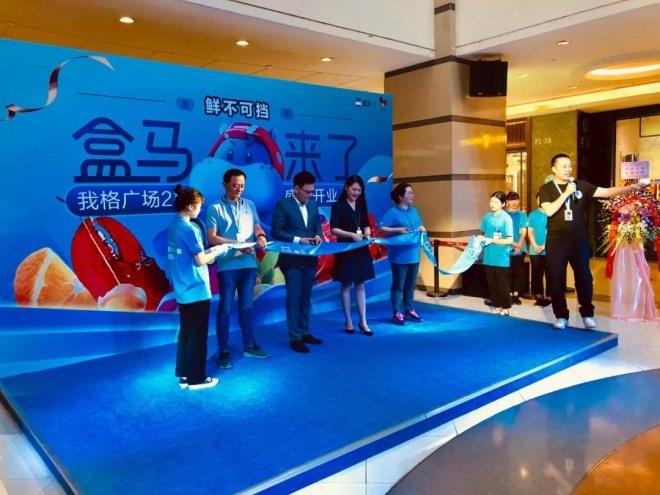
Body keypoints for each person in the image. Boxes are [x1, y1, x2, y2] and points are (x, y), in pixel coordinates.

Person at [538, 153, 646, 330]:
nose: (568, 169)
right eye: (564, 166)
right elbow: (549, 211)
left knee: (584, 278)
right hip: (556, 241)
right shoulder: (546, 189)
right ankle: (561, 316)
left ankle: (587, 314)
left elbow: (607, 192)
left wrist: (631, 187)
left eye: (570, 165)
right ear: (554, 169)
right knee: (555, 278)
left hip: (579, 239)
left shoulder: (581, 185)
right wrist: (566, 193)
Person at [206, 168, 270, 369]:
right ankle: (224, 352)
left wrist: (261, 236)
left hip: (249, 264)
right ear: (224, 184)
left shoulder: (250, 205)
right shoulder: (214, 208)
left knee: (247, 307)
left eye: (242, 186)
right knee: (225, 309)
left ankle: (249, 346)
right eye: (235, 185)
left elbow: (257, 226)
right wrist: (235, 244)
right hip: (227, 265)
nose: (239, 189)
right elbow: (212, 237)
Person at [167, 185, 227, 391]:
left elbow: (193, 255)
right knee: (198, 336)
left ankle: (185, 375)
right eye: (199, 206)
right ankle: (197, 378)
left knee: (186, 333)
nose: (200, 210)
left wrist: (214, 249)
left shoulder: (174, 226)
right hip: (196, 289)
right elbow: (201, 260)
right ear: (191, 206)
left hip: (183, 289)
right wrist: (220, 251)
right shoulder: (189, 229)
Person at [271, 171, 323, 353]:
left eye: (312, 191)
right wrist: (299, 240)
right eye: (307, 192)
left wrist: (318, 235)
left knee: (306, 297)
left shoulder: (313, 205)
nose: (310, 195)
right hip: (292, 260)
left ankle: (305, 331)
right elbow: (276, 232)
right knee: (294, 298)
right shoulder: (283, 205)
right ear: (296, 188)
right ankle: (295, 338)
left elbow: (317, 226)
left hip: (310, 258)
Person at [330, 175, 375, 336]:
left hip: (361, 249)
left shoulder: (361, 204)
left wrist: (367, 235)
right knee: (346, 285)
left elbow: (366, 225)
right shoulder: (338, 206)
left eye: (359, 190)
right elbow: (334, 229)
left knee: (361, 284)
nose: (356, 193)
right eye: (354, 189)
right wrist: (351, 235)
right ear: (346, 187)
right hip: (346, 249)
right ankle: (348, 320)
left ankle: (363, 321)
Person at [379, 183, 426, 325]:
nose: (412, 195)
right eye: (409, 193)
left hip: (414, 254)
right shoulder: (392, 212)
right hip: (399, 256)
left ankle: (409, 310)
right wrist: (397, 229)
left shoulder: (414, 211)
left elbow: (419, 226)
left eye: (412, 192)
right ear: (400, 196)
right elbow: (381, 227)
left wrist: (421, 228)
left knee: (410, 285)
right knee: (398, 285)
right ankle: (397, 312)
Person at [479, 191, 514, 316]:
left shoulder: (506, 218)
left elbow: (509, 240)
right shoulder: (486, 217)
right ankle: (497, 305)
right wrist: (481, 239)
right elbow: (483, 233)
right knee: (492, 283)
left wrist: (492, 240)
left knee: (502, 283)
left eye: (496, 202)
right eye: (491, 201)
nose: (492, 204)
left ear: (503, 204)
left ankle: (505, 307)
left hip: (501, 257)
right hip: (488, 255)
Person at [526, 193, 551, 307]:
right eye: (539, 199)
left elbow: (552, 232)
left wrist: (544, 246)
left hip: (550, 249)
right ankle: (538, 296)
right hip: (534, 250)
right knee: (536, 274)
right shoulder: (533, 214)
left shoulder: (552, 214)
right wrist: (535, 245)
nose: (541, 201)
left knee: (551, 274)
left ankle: (550, 296)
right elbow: (530, 232)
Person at [505, 191, 528, 305]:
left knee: (518, 272)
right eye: (511, 200)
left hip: (520, 246)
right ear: (507, 202)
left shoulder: (522, 214)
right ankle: (509, 294)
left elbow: (524, 231)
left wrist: (519, 245)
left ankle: (516, 295)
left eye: (516, 199)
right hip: (506, 247)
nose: (514, 202)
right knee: (508, 272)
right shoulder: (504, 214)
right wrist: (513, 244)